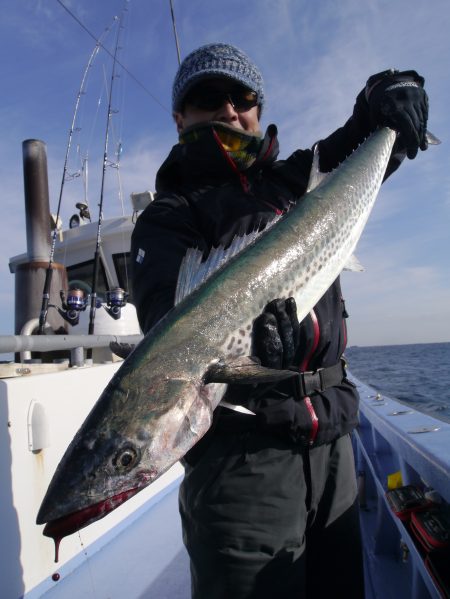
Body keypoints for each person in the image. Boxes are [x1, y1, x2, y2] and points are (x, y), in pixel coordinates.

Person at [131, 43, 429, 598]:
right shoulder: (168, 218)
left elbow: (368, 130)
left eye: (241, 97)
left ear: (258, 109)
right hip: (243, 463)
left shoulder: (296, 179)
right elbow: (169, 332)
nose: (227, 110)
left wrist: (391, 87)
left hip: (335, 440)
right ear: (179, 116)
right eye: (205, 98)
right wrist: (244, 351)